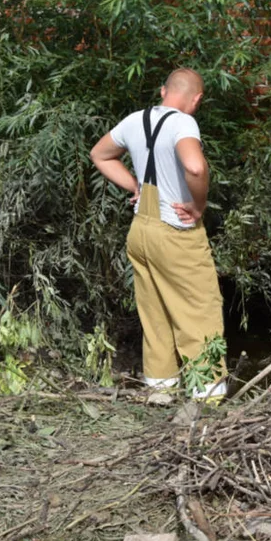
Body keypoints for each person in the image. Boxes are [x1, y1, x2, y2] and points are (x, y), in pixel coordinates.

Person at [89, 68, 226, 400]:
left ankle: (161, 394)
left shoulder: (134, 120)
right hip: (176, 232)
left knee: (156, 314)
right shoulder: (183, 123)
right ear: (196, 99)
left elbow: (99, 154)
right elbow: (195, 167)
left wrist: (134, 185)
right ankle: (208, 399)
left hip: (141, 230)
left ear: (164, 90)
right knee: (199, 312)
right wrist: (198, 204)